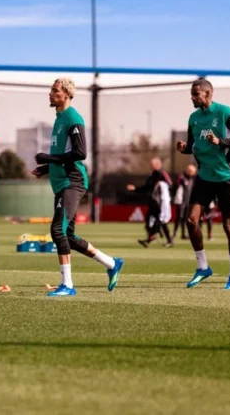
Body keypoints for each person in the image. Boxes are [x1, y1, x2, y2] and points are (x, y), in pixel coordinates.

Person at [32, 78, 123, 297]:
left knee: (57, 230)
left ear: (67, 94)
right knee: (69, 236)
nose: (50, 93)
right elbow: (64, 154)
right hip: (62, 182)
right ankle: (112, 263)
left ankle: (68, 285)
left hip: (72, 181)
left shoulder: (73, 118)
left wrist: (47, 158)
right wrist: (46, 168)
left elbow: (80, 153)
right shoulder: (59, 119)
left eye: (55, 90)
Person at [176, 78, 230, 290]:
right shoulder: (193, 118)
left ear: (208, 94)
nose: (192, 97)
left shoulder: (225, 112)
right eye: (191, 94)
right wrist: (184, 148)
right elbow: (193, 145)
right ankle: (203, 267)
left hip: (226, 176)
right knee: (191, 220)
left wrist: (221, 142)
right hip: (204, 177)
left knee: (228, 226)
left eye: (195, 94)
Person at [127, 158, 173, 248]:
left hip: (160, 203)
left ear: (158, 165)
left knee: (160, 221)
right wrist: (135, 189)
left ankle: (150, 238)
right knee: (151, 221)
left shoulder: (162, 174)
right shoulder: (152, 176)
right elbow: (146, 187)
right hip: (153, 202)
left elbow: (170, 184)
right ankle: (155, 237)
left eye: (153, 164)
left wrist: (162, 187)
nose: (151, 166)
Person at [171, 164, 196, 241]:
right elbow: (175, 187)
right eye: (190, 171)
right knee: (179, 217)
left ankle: (183, 234)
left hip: (188, 202)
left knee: (185, 219)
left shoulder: (193, 179)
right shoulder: (182, 177)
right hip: (181, 201)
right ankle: (174, 234)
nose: (191, 172)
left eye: (192, 171)